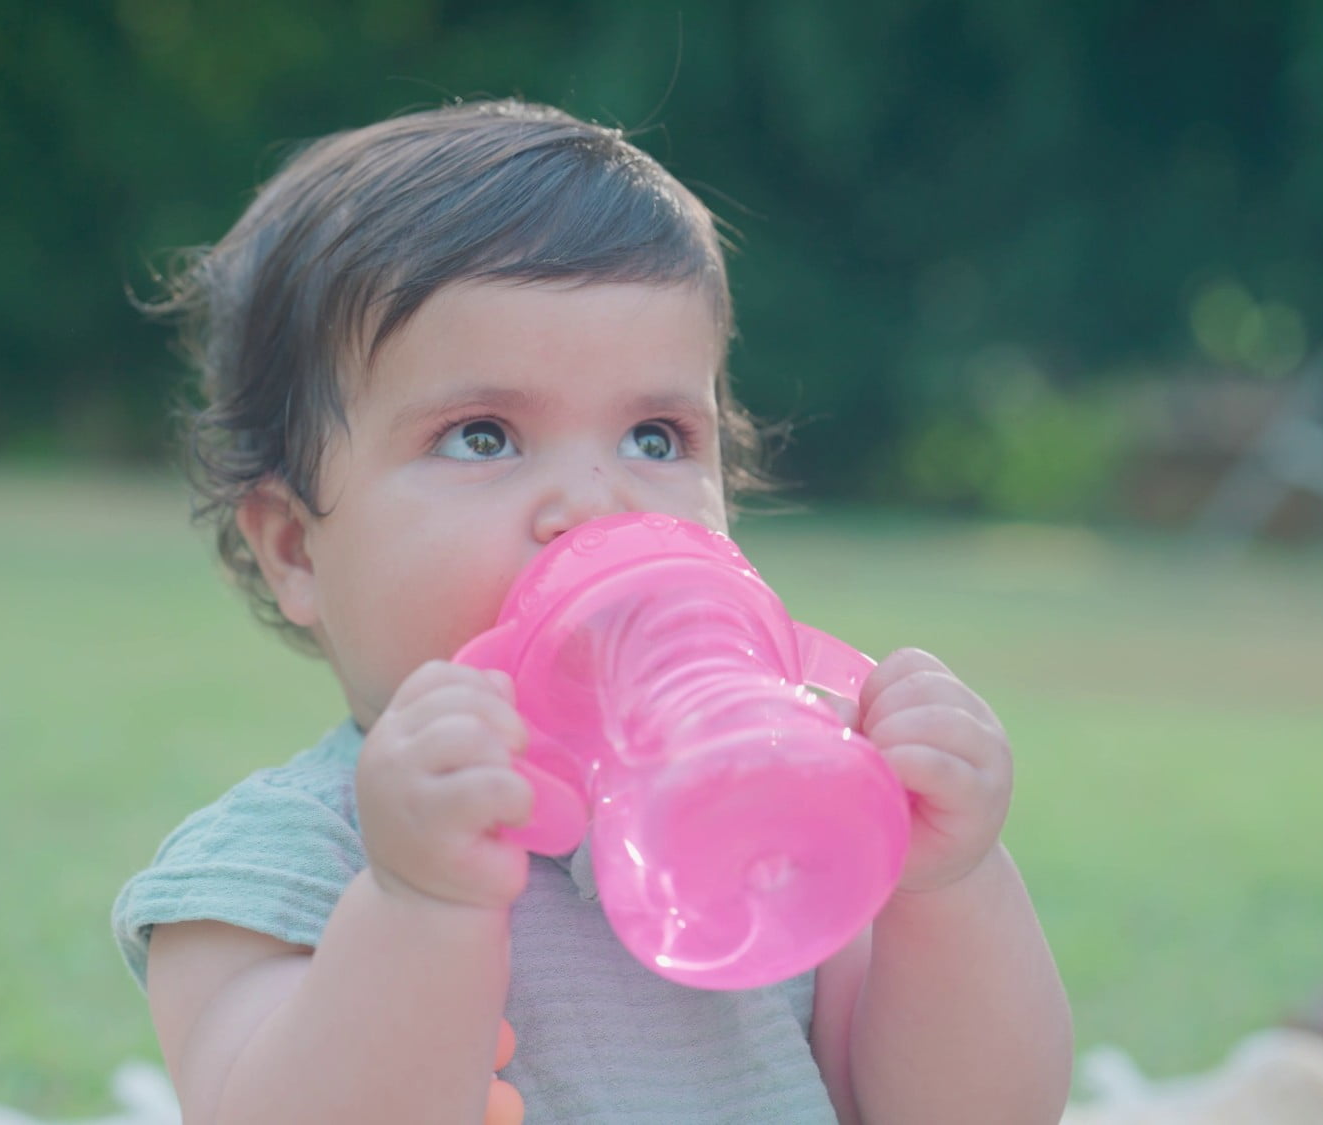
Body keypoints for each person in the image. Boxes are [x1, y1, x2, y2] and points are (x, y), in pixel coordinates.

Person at [112, 98, 1073, 1124]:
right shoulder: (282, 867)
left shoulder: (776, 800)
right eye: (482, 436)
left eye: (655, 438)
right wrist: (416, 905)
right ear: (296, 549)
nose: (598, 503)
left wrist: (947, 887)